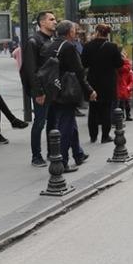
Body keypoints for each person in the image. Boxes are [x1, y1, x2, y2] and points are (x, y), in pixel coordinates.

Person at [42, 20, 96, 172]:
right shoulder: (68, 47)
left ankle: (78, 153)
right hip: (67, 91)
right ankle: (62, 162)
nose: (75, 32)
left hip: (53, 90)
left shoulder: (49, 45)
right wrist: (89, 91)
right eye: (74, 30)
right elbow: (79, 72)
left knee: (69, 122)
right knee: (65, 126)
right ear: (69, 32)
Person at [21, 11, 56, 167]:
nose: (55, 22)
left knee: (53, 122)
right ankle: (36, 156)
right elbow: (30, 69)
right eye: (51, 19)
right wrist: (38, 92)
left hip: (52, 88)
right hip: (41, 90)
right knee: (40, 122)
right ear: (42, 22)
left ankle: (53, 152)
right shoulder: (33, 41)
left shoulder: (51, 39)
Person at [81, 24, 123, 143]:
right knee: (106, 109)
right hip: (108, 82)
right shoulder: (112, 47)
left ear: (97, 32)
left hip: (93, 81)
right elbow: (119, 64)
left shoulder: (88, 46)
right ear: (107, 33)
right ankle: (105, 136)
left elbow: (84, 63)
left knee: (93, 109)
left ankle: (93, 136)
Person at [116, 50, 133, 124]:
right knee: (122, 104)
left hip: (125, 90)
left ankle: (126, 115)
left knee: (126, 104)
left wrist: (128, 87)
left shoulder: (126, 71)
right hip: (123, 90)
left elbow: (132, 81)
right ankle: (123, 116)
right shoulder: (126, 70)